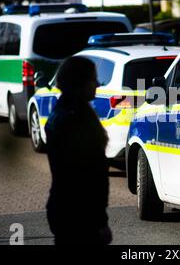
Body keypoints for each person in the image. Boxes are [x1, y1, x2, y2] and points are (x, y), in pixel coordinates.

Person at [44, 56, 111, 245]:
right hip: (79, 214)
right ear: (80, 82)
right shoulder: (77, 119)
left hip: (63, 207)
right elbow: (88, 177)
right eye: (93, 78)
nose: (97, 84)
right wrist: (100, 222)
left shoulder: (62, 112)